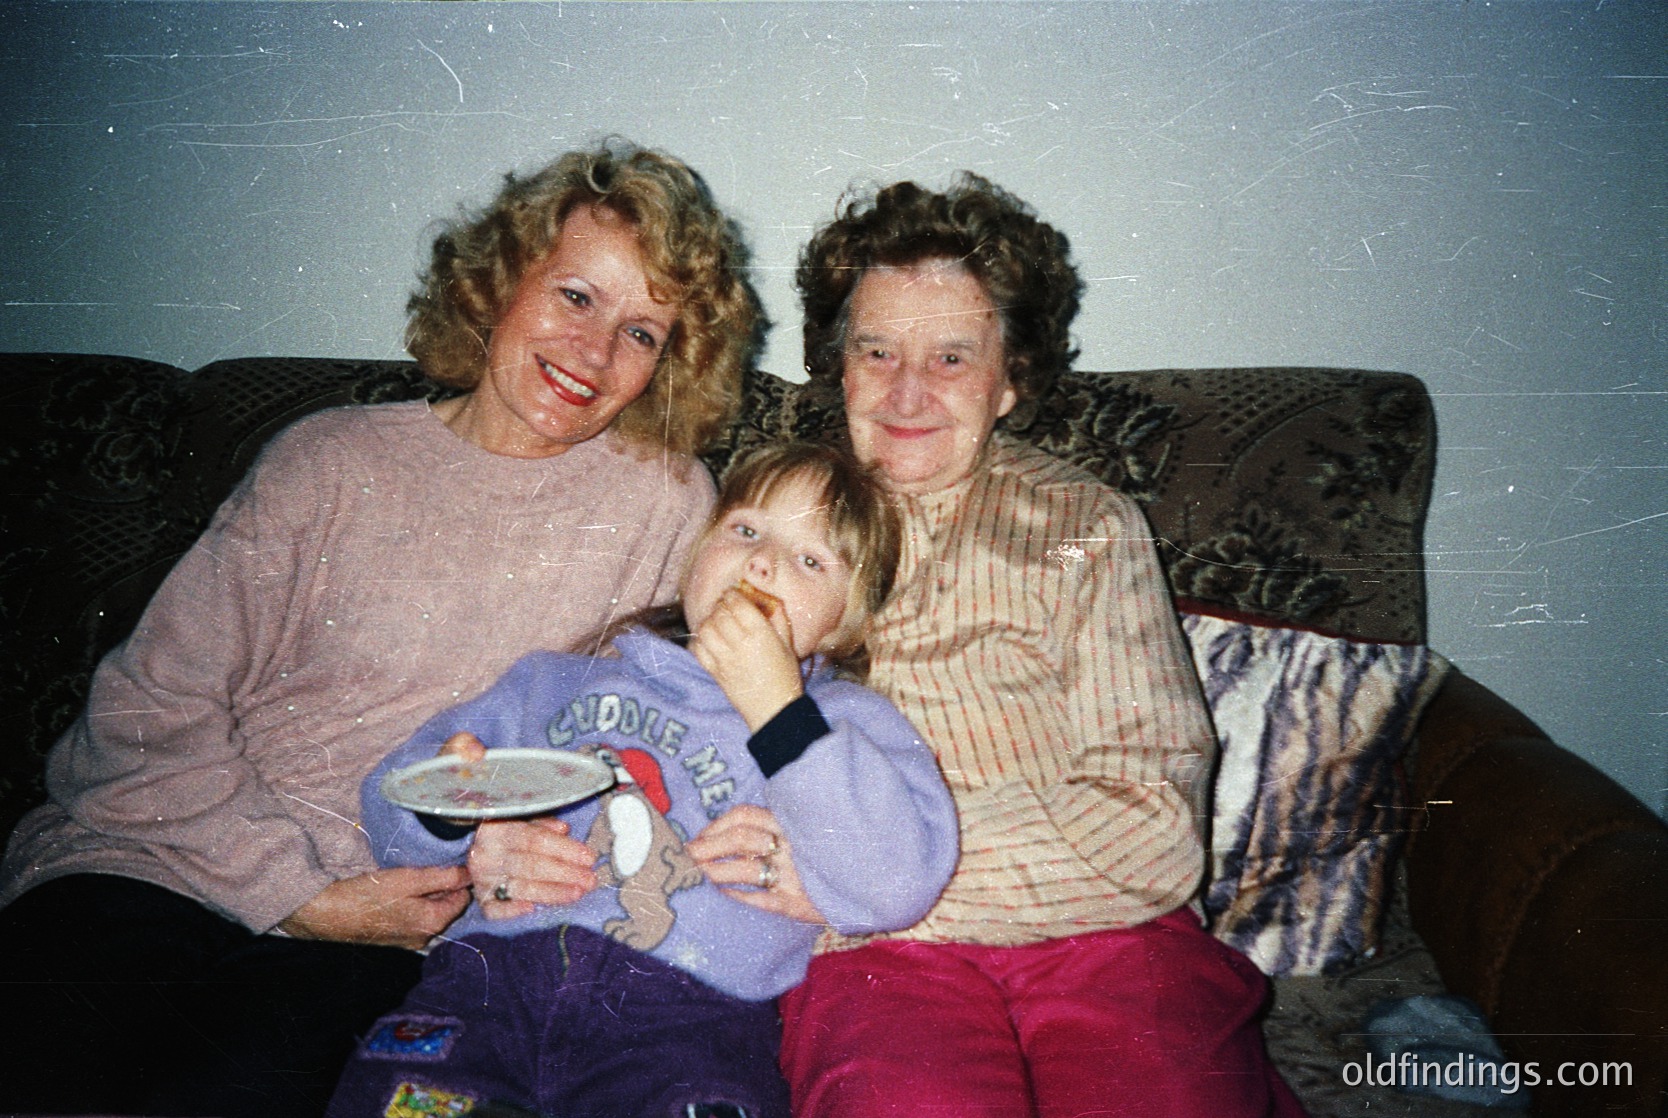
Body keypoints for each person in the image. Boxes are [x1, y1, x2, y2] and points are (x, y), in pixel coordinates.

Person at [0, 140, 761, 1117]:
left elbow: (646, 744)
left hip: (407, 926)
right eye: (576, 296)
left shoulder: (665, 501)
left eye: (643, 332)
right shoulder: (328, 460)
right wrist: (295, 891)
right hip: (164, 862)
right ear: (498, 281)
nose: (595, 352)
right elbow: (138, 719)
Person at [766, 176, 1308, 1117]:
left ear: (1010, 378)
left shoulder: (1084, 526)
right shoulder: (768, 520)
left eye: (950, 358)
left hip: (1105, 931)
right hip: (872, 951)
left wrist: (879, 872)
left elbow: (1151, 821)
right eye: (876, 350)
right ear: (837, 363)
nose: (905, 392)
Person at [328, 441, 958, 1118]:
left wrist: (777, 709)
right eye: (745, 530)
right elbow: (391, 806)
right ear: (697, 555)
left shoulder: (843, 725)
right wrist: (456, 807)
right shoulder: (553, 681)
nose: (763, 561)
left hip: (691, 1024)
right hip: (483, 993)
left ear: (847, 622)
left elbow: (898, 881)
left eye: (810, 560)